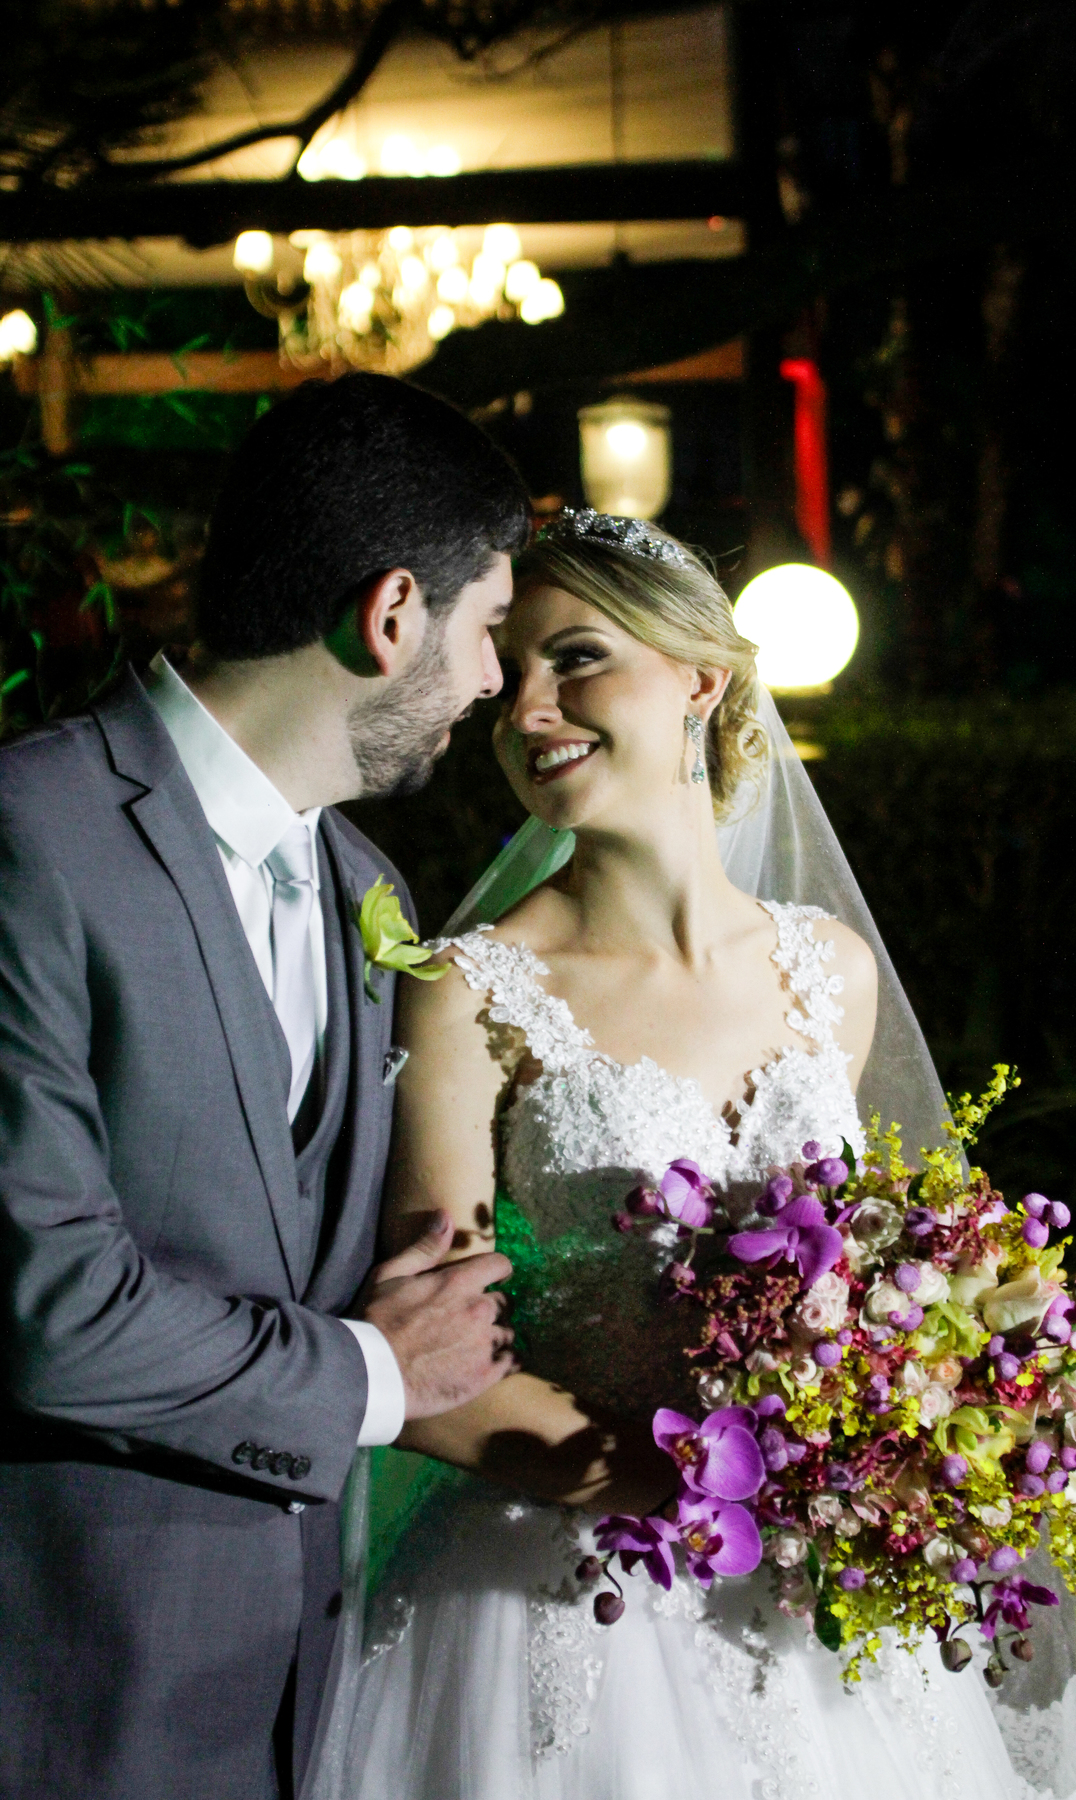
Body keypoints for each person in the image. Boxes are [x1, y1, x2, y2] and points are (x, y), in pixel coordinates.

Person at [330, 510, 1076, 1800]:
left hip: (825, 1604)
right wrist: (711, 1492)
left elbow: (899, 1285)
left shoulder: (827, 976)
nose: (530, 707)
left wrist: (941, 1412)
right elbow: (431, 1361)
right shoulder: (471, 992)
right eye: (508, 670)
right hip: (576, 1593)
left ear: (700, 676)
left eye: (575, 658)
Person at [0, 374, 529, 1800]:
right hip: (63, 1681)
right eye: (488, 631)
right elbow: (44, 1309)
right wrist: (370, 1372)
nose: (493, 685)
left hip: (300, 1689)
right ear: (395, 612)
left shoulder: (368, 887)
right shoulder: (30, 835)